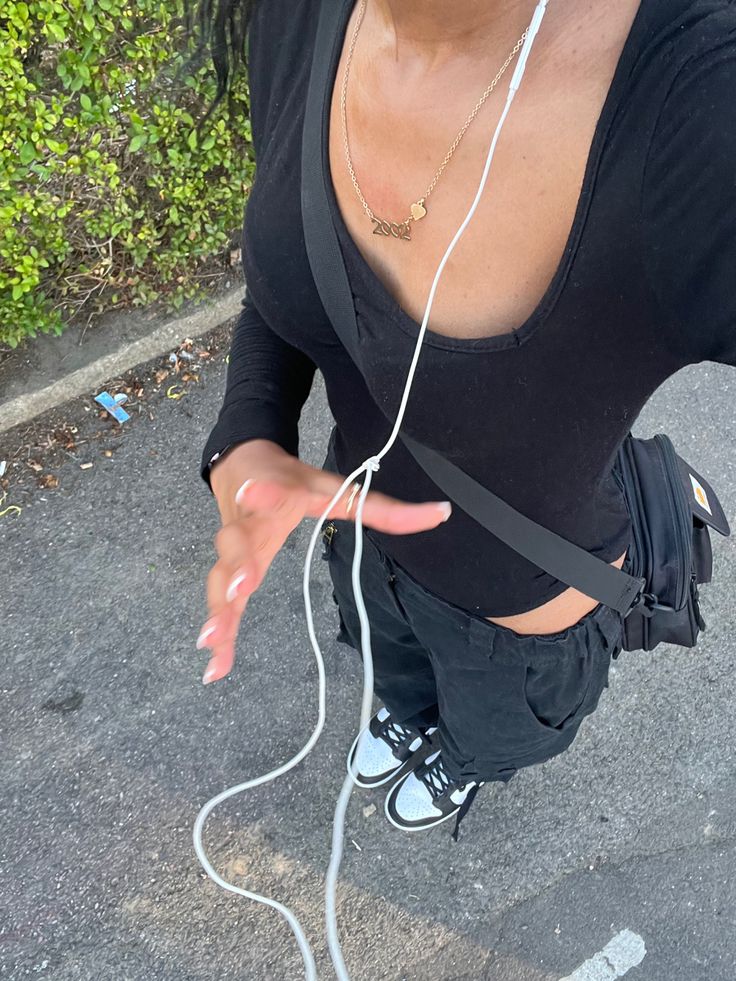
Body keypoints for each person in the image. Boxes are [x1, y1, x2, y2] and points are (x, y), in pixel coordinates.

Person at [194, 0, 736, 836]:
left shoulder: (697, 101)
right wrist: (248, 430)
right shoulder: (297, 14)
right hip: (365, 550)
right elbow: (294, 258)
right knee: (395, 674)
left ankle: (468, 764)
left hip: (521, 625)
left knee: (492, 732)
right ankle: (409, 720)